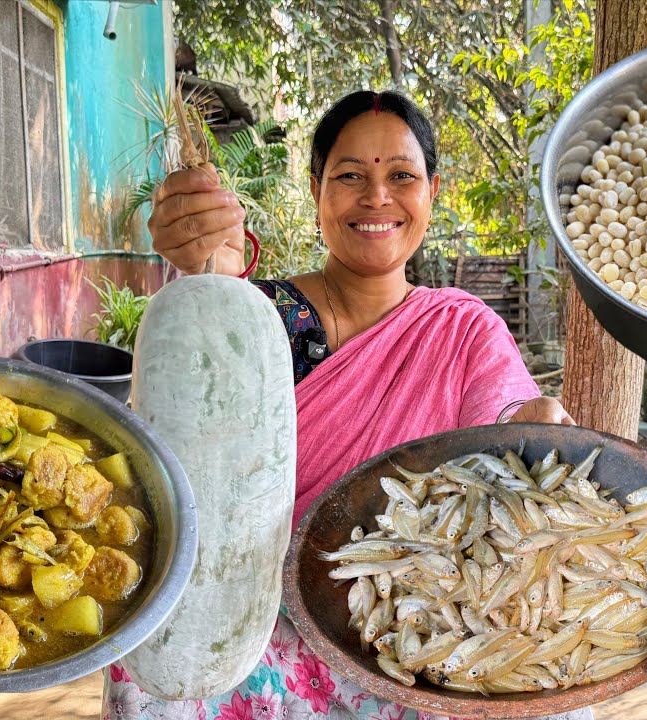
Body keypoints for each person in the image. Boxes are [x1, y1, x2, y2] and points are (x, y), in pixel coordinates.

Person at [102, 90, 585, 720]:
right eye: (351, 176)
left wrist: (531, 424)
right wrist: (207, 272)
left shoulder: (463, 329)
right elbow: (185, 444)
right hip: (243, 628)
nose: (377, 197)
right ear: (317, 190)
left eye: (401, 176)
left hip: (399, 628)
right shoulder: (257, 319)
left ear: (432, 192)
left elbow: (501, 416)